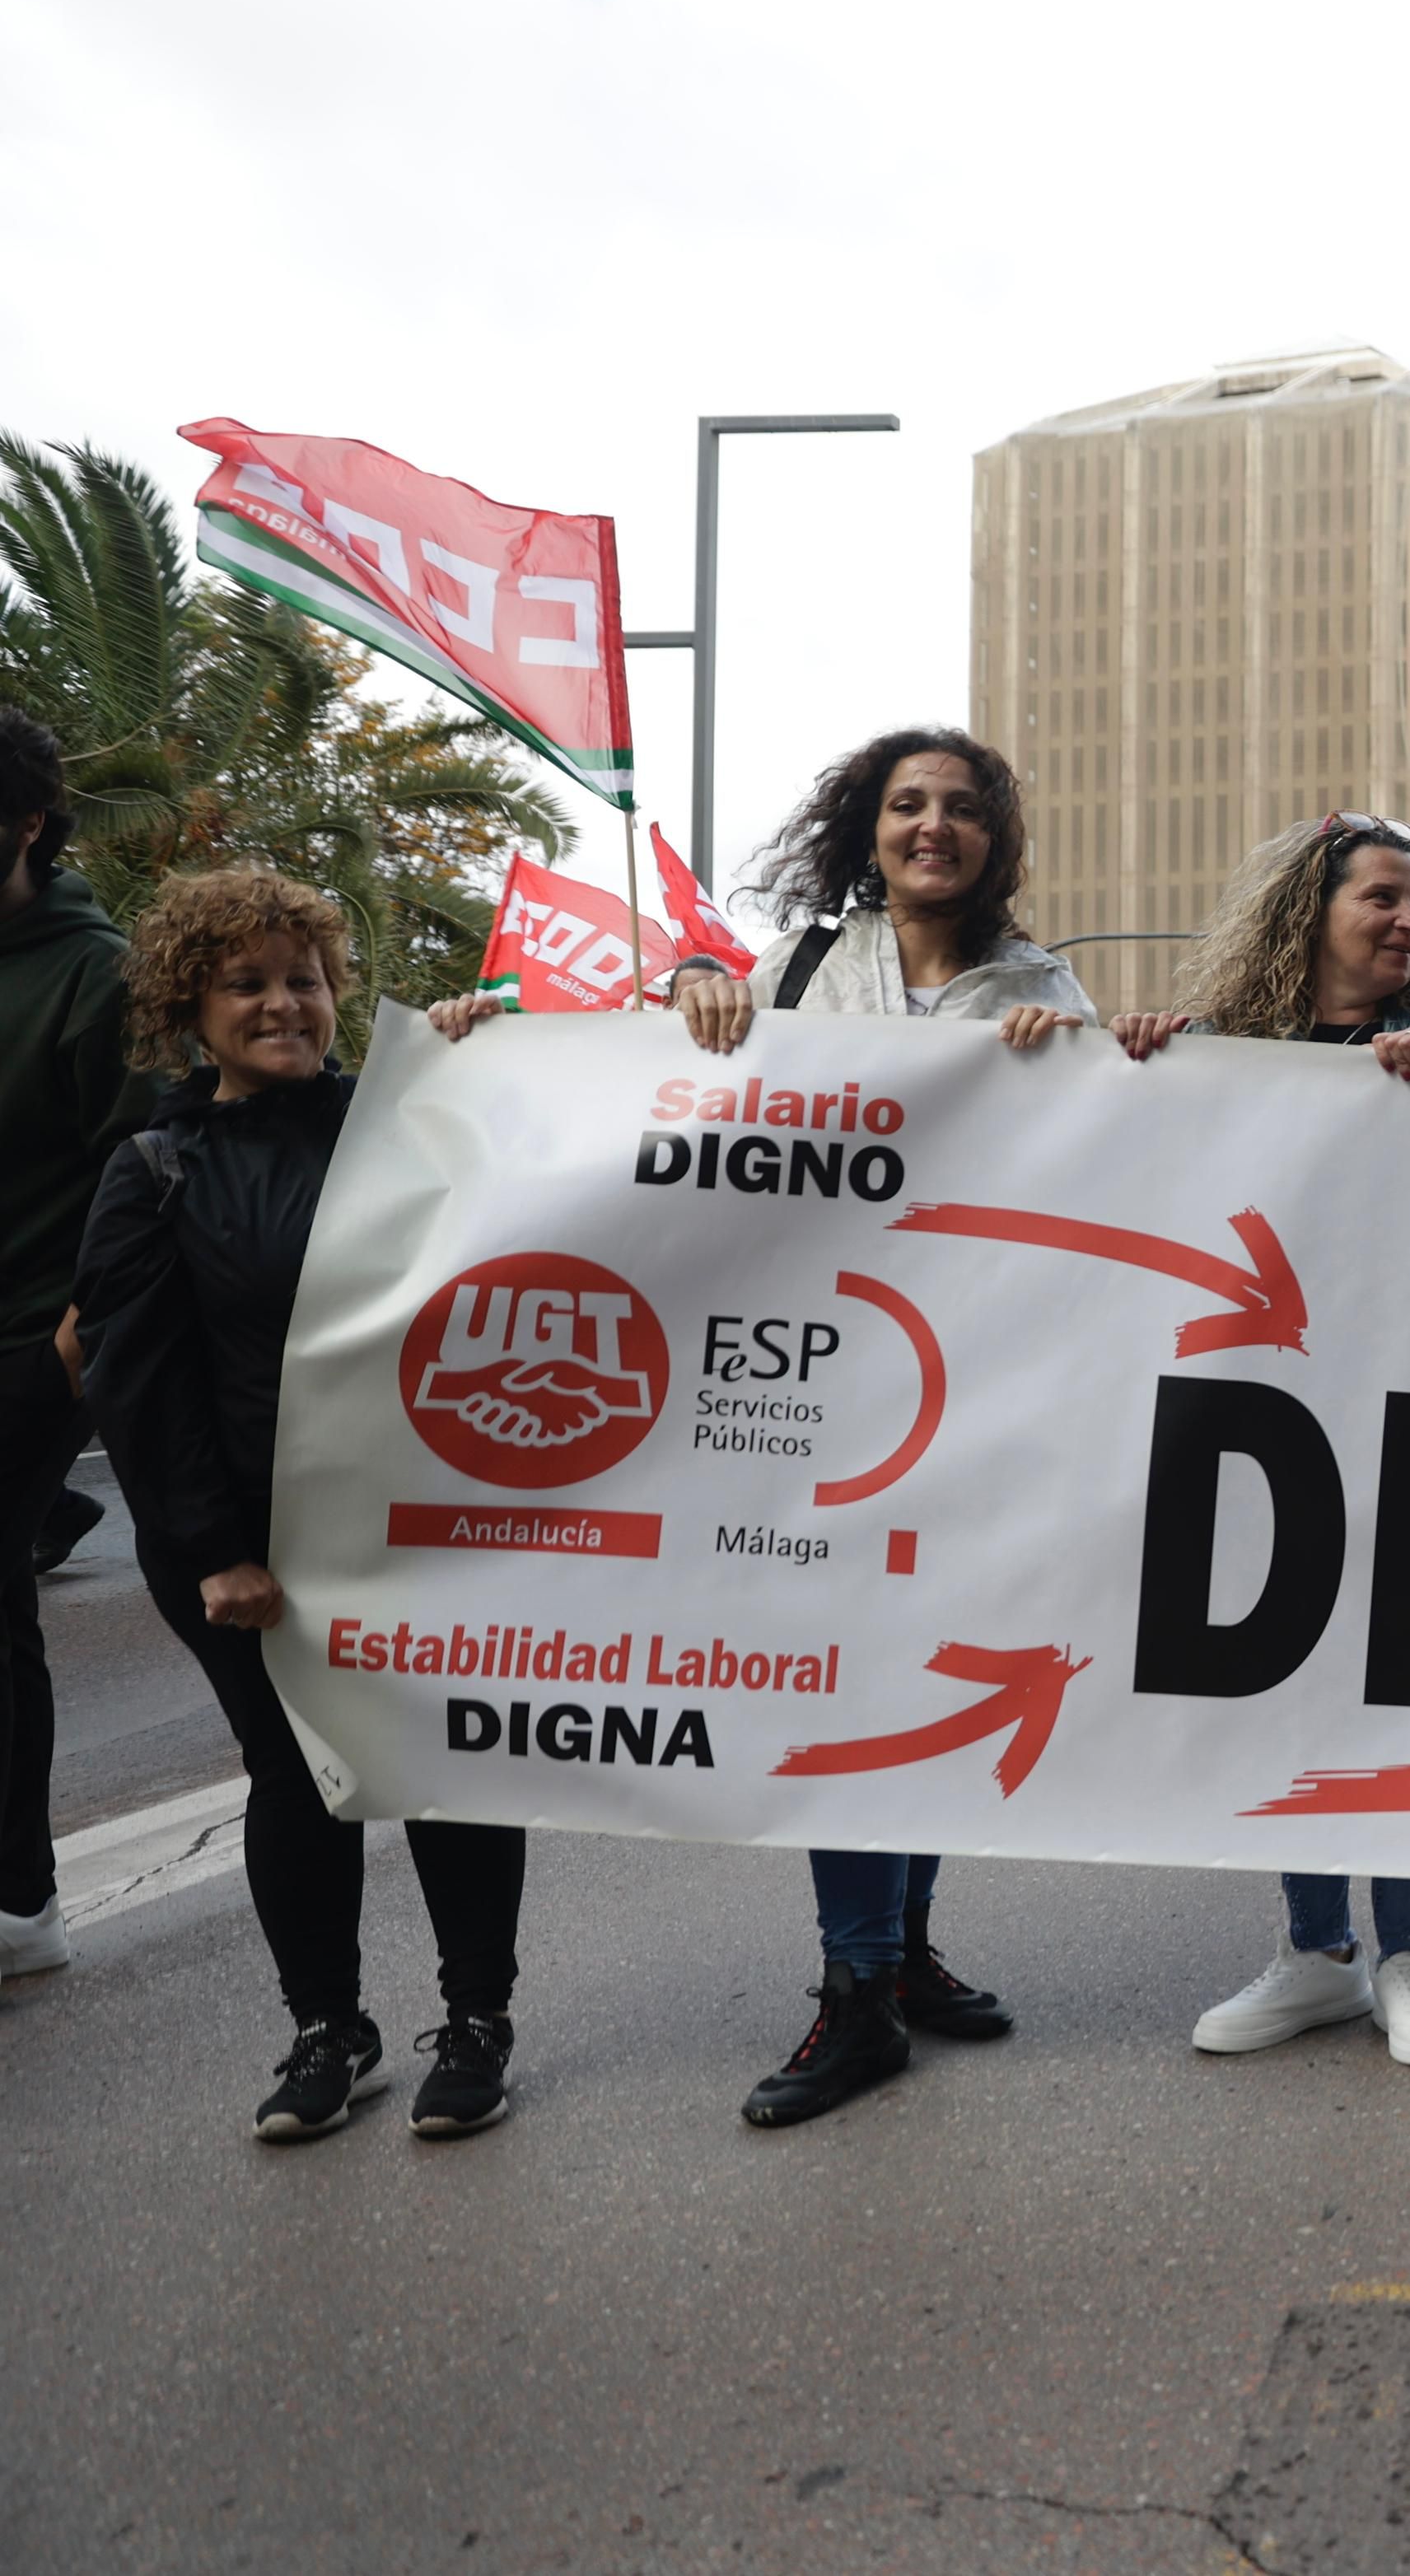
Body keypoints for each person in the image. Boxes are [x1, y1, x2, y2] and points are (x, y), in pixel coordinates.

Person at [455, 730, 1092, 2126]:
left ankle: (904, 1954)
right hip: (816, 1383)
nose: (934, 827)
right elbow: (661, 1089)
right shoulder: (796, 972)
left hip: (975, 1381)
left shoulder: (1044, 988)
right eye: (908, 804)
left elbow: (1112, 1162)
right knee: (844, 1673)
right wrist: (656, 1002)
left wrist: (1087, 1057)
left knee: (922, 1679)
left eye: (964, 808)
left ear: (998, 838)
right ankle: (855, 1987)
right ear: (868, 826)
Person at [81, 871, 531, 2139]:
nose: (285, 1004)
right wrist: (217, 1550)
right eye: (248, 982)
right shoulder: (156, 1170)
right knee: (291, 1775)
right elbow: (138, 1380)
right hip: (242, 1550)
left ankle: (478, 2022)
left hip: (423, 1526)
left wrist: (500, 1065)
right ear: (190, 1004)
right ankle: (329, 2031)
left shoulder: (412, 1116)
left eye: (306, 979)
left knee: (446, 1765)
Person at [1114, 813, 1410, 2069]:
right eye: (1381, 897)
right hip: (1270, 1422)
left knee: (1399, 1682)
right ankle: (1316, 1951)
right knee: (1292, 1676)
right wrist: (1138, 1063)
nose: (1407, 923)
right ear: (1308, 913)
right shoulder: (1223, 1057)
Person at [0, 707, 146, 1982]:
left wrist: (74, 1334)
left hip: (28, 1343)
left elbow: (137, 1160)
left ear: (30, 822)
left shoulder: (92, 970)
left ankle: (19, 1899)